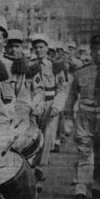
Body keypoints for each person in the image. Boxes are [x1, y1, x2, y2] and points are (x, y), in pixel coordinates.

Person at [0, 16, 36, 199]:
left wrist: (21, 118)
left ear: (5, 41)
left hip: (3, 125)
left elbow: (22, 97)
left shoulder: (14, 65)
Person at [66, 34, 100, 199]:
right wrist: (68, 115)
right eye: (94, 49)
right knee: (84, 153)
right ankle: (80, 191)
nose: (97, 53)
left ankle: (96, 188)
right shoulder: (82, 72)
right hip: (85, 116)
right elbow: (72, 96)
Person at [29, 34, 67, 184]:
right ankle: (29, 163)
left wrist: (57, 105)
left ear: (47, 48)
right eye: (36, 47)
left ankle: (40, 167)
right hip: (32, 105)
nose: (38, 50)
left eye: (41, 47)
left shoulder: (55, 66)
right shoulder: (29, 65)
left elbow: (61, 89)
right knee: (31, 135)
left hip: (50, 104)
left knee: (48, 135)